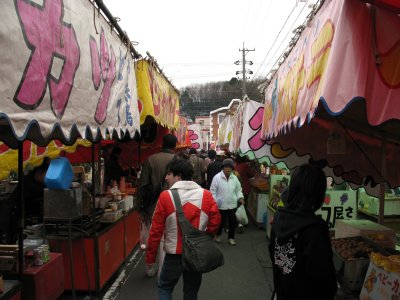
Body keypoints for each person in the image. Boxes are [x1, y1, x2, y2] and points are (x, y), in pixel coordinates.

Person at [146, 158, 221, 299]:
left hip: (174, 255)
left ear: (178, 176)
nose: (166, 177)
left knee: (165, 287)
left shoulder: (165, 197)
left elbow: (155, 231)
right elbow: (215, 221)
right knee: (191, 290)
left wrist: (150, 257)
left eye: (169, 174)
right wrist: (206, 236)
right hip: (195, 253)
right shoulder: (205, 195)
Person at [268, 163, 337, 300]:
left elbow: (273, 254)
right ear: (318, 193)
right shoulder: (315, 229)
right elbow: (322, 278)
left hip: (281, 292)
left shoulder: (279, 217)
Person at [139, 133, 178, 216]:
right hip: (174, 205)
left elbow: (142, 185)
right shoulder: (179, 161)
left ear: (162, 144)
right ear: (175, 146)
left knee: (154, 228)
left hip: (153, 206)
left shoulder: (150, 160)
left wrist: (140, 208)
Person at [210, 158, 244, 246]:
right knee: (221, 222)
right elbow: (212, 191)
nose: (228, 168)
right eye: (226, 167)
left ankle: (231, 238)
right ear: (223, 168)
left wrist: (240, 197)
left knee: (232, 222)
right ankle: (218, 235)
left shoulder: (235, 178)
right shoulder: (217, 178)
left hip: (232, 204)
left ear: (232, 168)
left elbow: (238, 189)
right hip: (221, 205)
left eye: (230, 167)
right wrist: (215, 202)